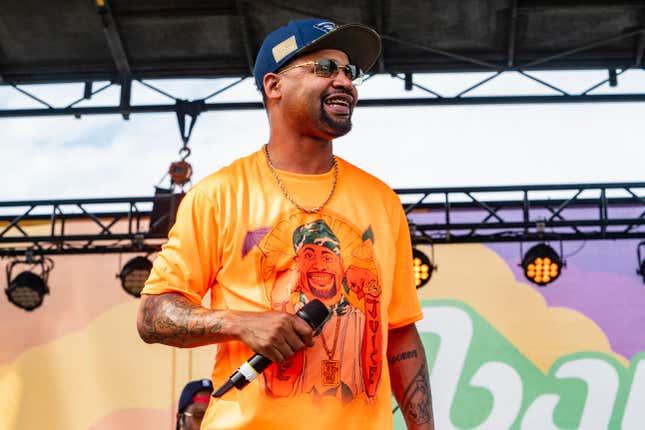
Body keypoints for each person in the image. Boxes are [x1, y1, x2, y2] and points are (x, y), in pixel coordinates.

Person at [137, 17, 435, 430]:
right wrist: (240, 322)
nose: (345, 82)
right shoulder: (219, 194)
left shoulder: (381, 200)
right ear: (274, 86)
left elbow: (399, 333)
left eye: (350, 72)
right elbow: (152, 315)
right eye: (325, 68)